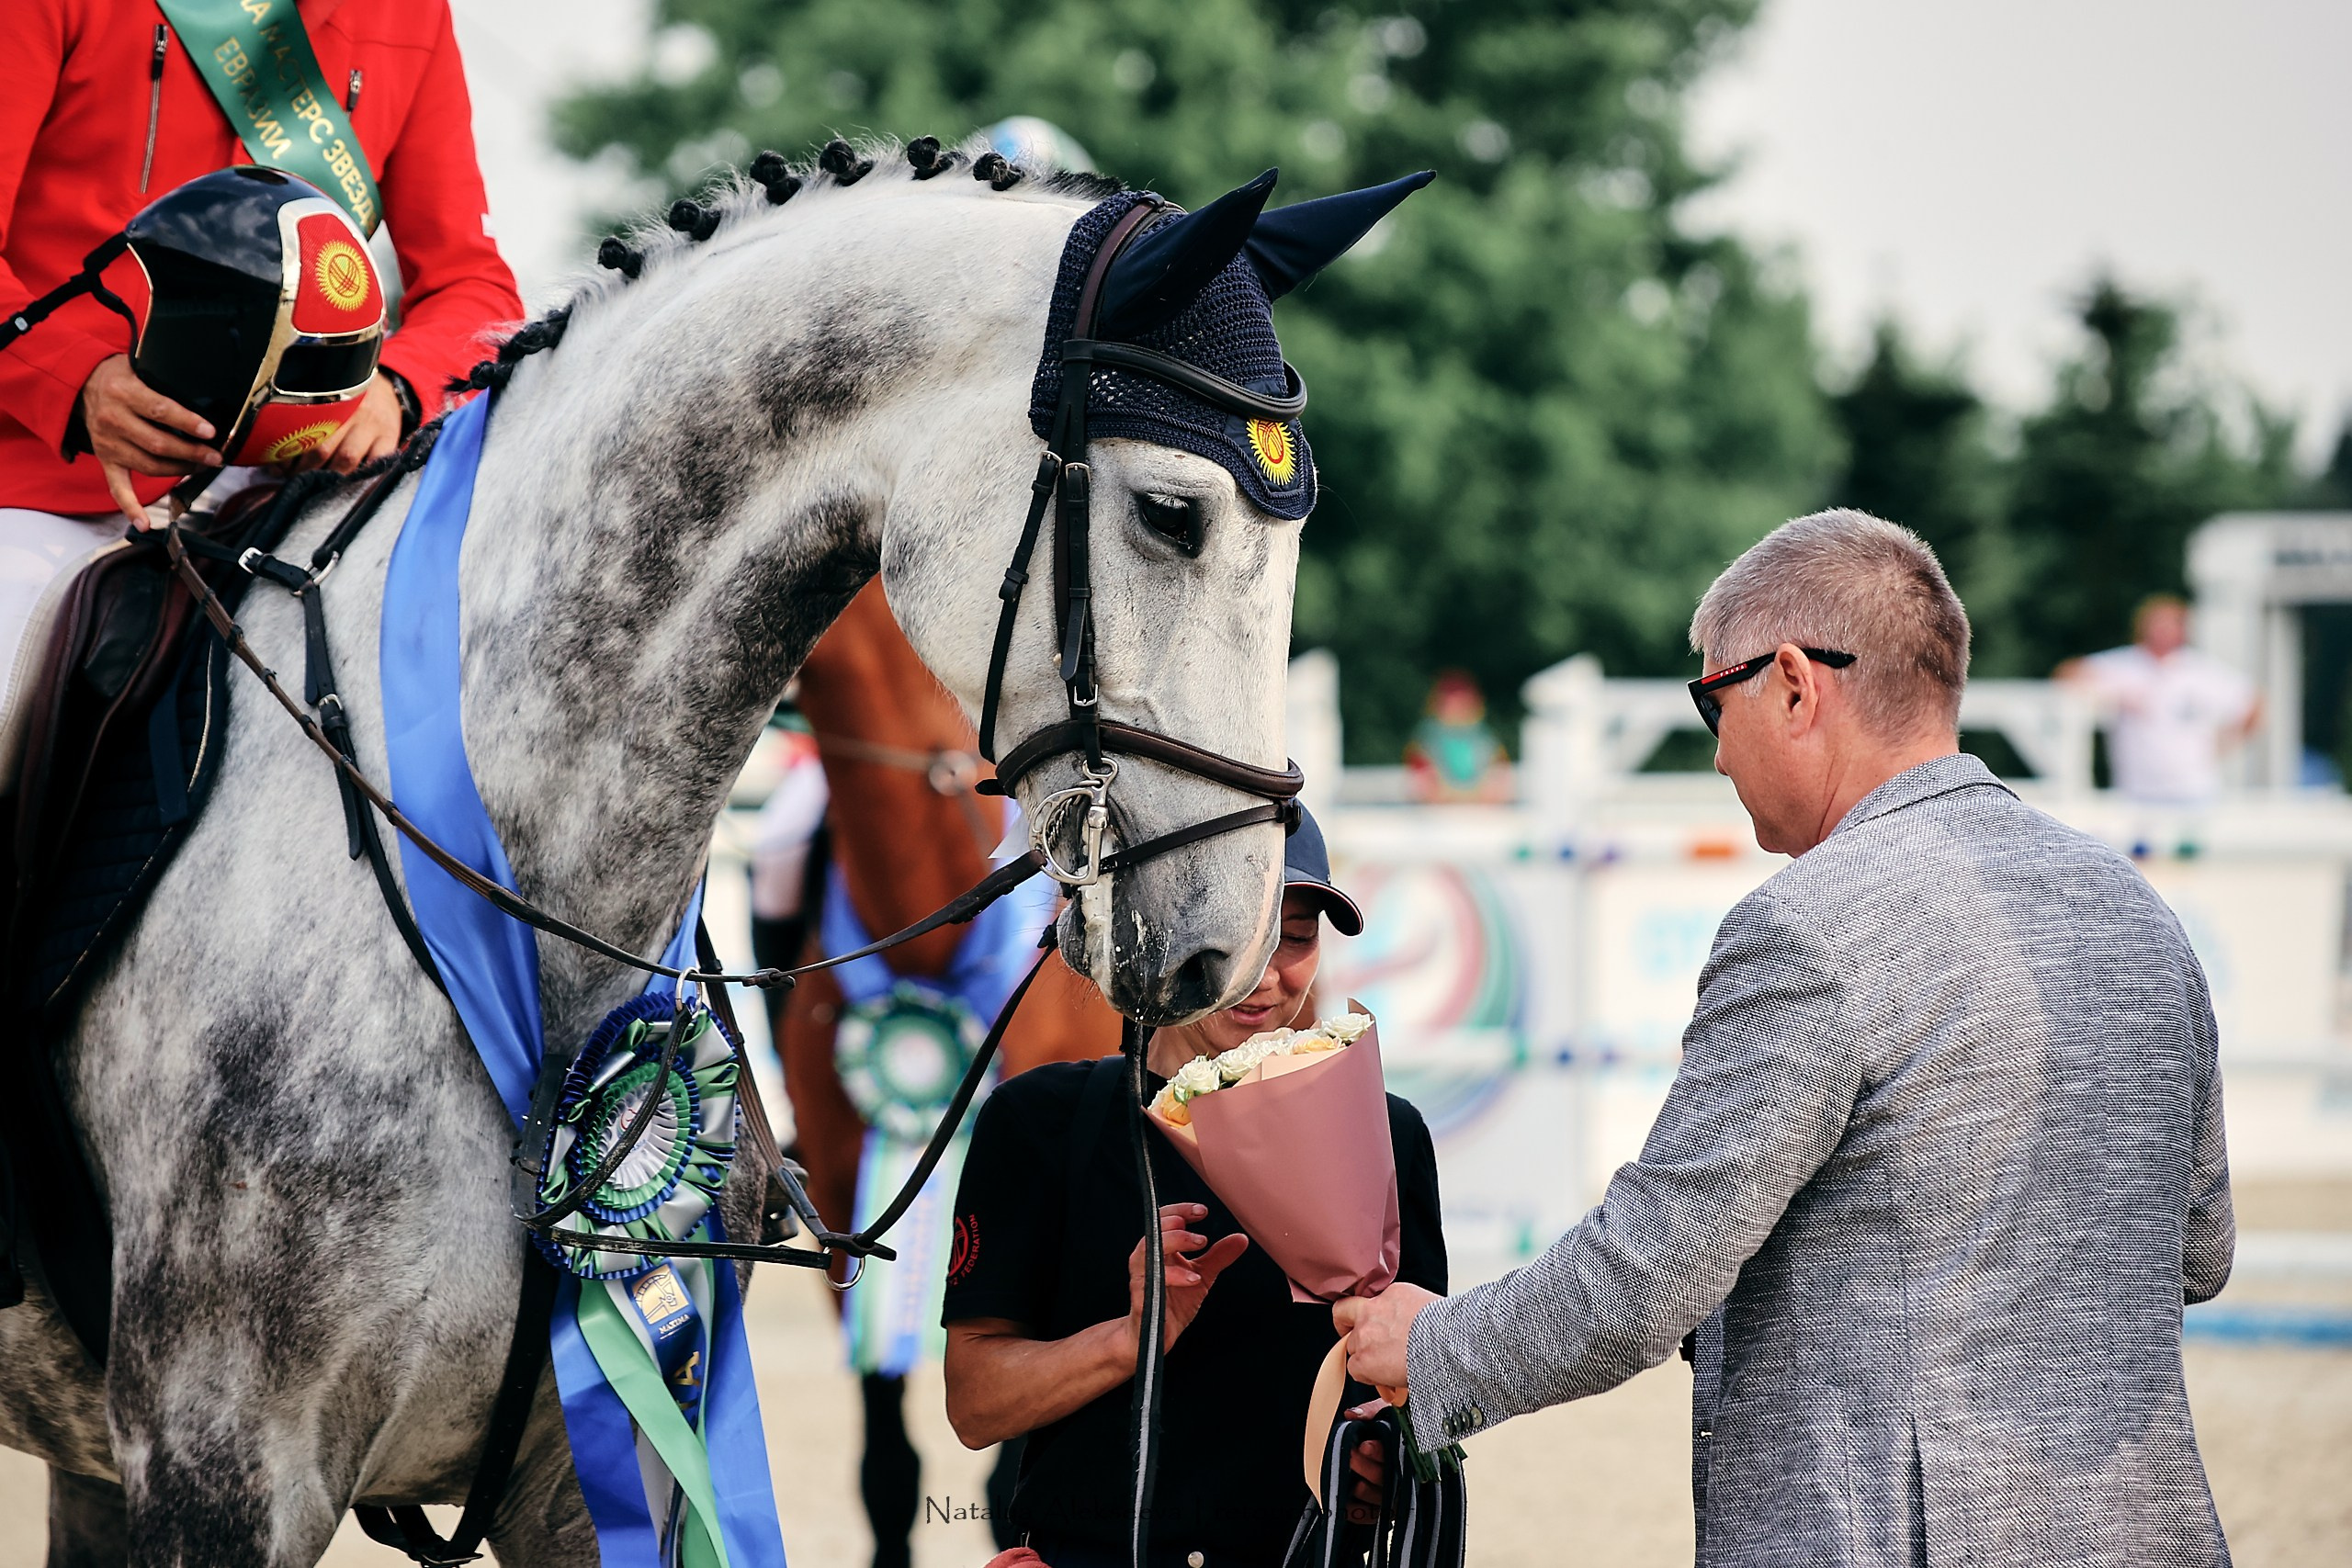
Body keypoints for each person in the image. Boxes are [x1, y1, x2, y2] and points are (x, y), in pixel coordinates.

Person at [1338, 510, 2233, 1567]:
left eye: (1713, 702)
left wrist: (1434, 1347)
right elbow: (2200, 1251)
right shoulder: (2138, 912)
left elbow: (1649, 1272)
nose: (1717, 752)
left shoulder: (1809, 925)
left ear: (1797, 686)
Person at [943, 806, 1446, 1568]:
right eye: (1232, 932)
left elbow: (1429, 1391)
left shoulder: (1388, 1133)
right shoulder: (1038, 1121)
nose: (1264, 975)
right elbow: (975, 1406)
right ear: (1158, 928)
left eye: (1295, 936)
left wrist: (1387, 1456)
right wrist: (1129, 1338)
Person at [0, 0, 522, 717]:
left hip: (286, 493)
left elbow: (475, 287)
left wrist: (397, 387)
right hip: (44, 483)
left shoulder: (412, 14)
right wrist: (74, 381)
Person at [2058, 594, 2260, 805]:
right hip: (2136, 791)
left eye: (2169, 624)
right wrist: (2116, 696)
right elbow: (2066, 674)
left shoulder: (2201, 671)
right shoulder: (2124, 666)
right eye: (2156, 623)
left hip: (2194, 790)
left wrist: (2222, 746)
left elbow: (2253, 704)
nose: (2162, 631)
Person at [1403, 670, 1510, 803]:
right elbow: (1419, 767)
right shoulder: (1428, 735)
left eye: (1462, 702)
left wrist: (1490, 789)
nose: (1457, 708)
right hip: (1439, 803)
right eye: (1451, 702)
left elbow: (1498, 766)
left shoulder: (1484, 736)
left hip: (1480, 804)